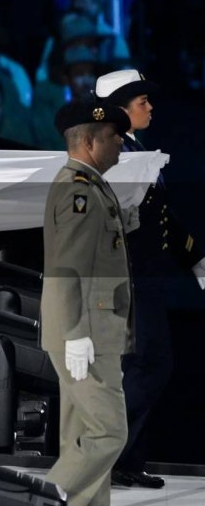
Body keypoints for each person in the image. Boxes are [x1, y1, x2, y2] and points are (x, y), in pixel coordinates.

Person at [95, 70, 205, 488]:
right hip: (126, 279)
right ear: (121, 110)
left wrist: (197, 259)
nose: (151, 107)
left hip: (145, 277)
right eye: (142, 101)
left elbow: (162, 218)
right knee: (148, 365)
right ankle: (102, 450)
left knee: (144, 366)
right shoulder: (114, 156)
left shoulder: (136, 153)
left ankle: (123, 459)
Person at [41, 98, 135, 506]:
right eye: (115, 137)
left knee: (81, 434)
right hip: (86, 334)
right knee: (108, 432)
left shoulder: (91, 186)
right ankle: (30, 501)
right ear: (89, 141)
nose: (121, 145)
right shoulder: (79, 192)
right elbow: (69, 268)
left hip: (92, 331)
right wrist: (76, 333)